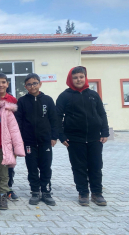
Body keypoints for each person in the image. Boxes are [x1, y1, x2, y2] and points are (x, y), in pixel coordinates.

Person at [56, 66, 109, 206]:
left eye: (81, 77)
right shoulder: (64, 96)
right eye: (75, 77)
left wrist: (104, 131)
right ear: (70, 79)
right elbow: (57, 117)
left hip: (94, 138)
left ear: (85, 77)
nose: (78, 80)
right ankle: (83, 193)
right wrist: (61, 135)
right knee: (79, 167)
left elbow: (102, 113)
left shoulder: (93, 95)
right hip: (74, 139)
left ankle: (97, 193)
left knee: (96, 166)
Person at [15, 73, 58, 206]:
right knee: (32, 167)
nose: (32, 86)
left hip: (45, 140)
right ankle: (35, 191)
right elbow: (19, 121)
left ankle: (46, 191)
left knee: (46, 166)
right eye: (29, 84)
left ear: (40, 84)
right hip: (28, 141)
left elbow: (54, 119)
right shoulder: (22, 101)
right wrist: (20, 139)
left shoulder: (48, 100)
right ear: (25, 86)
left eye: (35, 83)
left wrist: (54, 136)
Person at [0, 72, 18, 201]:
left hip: (9, 139)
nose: (0, 85)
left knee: (9, 164)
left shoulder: (12, 100)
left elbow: (16, 122)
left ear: (7, 84)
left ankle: (8, 188)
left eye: (3, 82)